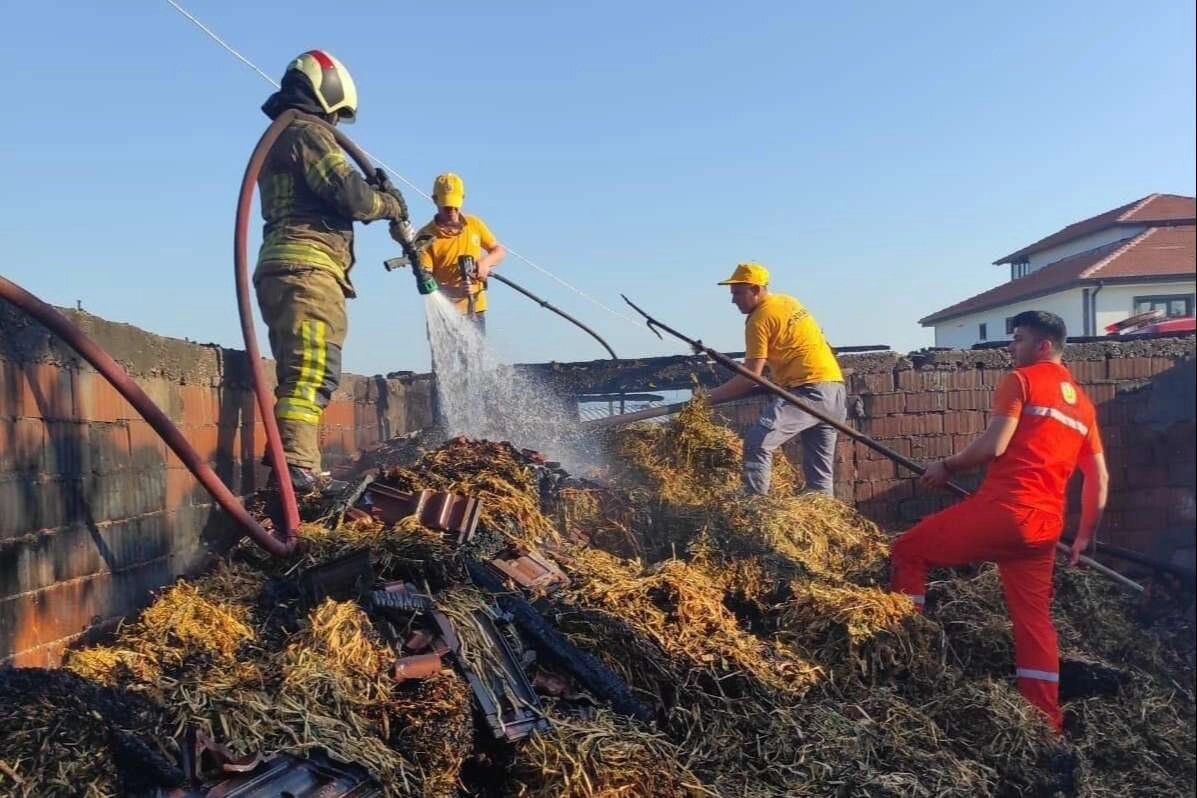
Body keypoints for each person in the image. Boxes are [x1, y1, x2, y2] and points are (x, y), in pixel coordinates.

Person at [890, 310, 1109, 733]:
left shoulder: (1022, 380)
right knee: (1034, 621)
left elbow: (995, 444)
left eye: (1020, 339)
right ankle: (1047, 720)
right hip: (1045, 528)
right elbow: (1099, 475)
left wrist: (947, 466)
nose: (1012, 347)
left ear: (1043, 346)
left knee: (907, 550)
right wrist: (1084, 536)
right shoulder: (1083, 405)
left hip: (1006, 510)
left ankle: (905, 653)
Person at [254, 50, 411, 490]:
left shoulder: (283, 134)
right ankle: (296, 469)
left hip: (285, 265)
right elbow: (352, 196)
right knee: (312, 370)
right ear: (325, 94)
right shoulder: (307, 131)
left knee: (300, 370)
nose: (337, 125)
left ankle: (294, 466)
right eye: (337, 114)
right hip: (309, 267)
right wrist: (389, 204)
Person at [703, 262, 845, 496]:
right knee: (820, 479)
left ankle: (755, 508)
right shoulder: (789, 301)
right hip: (834, 390)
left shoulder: (758, 319)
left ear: (756, 289)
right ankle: (826, 517)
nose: (733, 300)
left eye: (738, 293)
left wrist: (708, 398)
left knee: (757, 442)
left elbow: (749, 377)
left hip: (808, 390)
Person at [413, 173, 507, 332]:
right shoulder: (425, 237)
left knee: (475, 356)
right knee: (447, 357)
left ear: (462, 198)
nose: (452, 211)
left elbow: (498, 250)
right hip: (444, 314)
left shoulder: (474, 224)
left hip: (475, 310)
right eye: (447, 206)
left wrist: (485, 263)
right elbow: (426, 283)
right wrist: (456, 290)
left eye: (455, 205)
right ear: (435, 200)